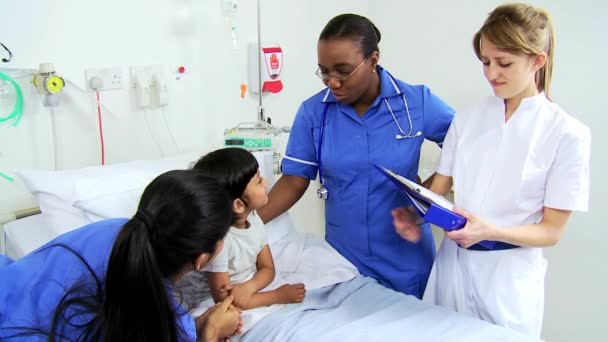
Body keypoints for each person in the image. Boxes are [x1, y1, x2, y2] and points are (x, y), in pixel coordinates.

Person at [393, 3, 590, 337]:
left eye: (504, 63)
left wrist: (490, 231)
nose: (491, 73)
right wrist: (414, 214)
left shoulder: (567, 134)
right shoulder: (468, 118)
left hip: (508, 281)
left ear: (537, 61)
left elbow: (552, 231)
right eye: (485, 62)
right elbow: (440, 185)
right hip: (452, 270)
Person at [257, 13, 455, 298]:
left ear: (373, 60)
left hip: (406, 258)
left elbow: (466, 146)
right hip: (341, 260)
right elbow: (293, 181)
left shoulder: (416, 103)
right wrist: (241, 226)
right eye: (324, 71)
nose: (332, 82)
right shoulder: (314, 113)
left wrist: (428, 195)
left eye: (343, 71)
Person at [0, 170, 242, 341]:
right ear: (202, 259)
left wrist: (194, 327)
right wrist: (209, 333)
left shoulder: (112, 229)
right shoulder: (158, 314)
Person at [178, 148, 306, 311]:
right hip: (205, 301)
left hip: (237, 293)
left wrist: (249, 287)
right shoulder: (220, 244)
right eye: (259, 181)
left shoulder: (254, 219)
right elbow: (224, 300)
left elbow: (267, 268)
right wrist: (277, 296)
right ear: (238, 205)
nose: (266, 183)